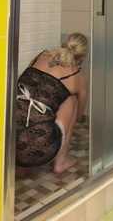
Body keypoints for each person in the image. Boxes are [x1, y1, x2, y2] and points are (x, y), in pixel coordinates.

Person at [15, 33, 88, 174]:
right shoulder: (77, 77)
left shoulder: (42, 55)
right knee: (72, 100)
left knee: (26, 103)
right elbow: (79, 114)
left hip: (8, 144)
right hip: (41, 149)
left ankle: (20, 166)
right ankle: (61, 162)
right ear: (82, 57)